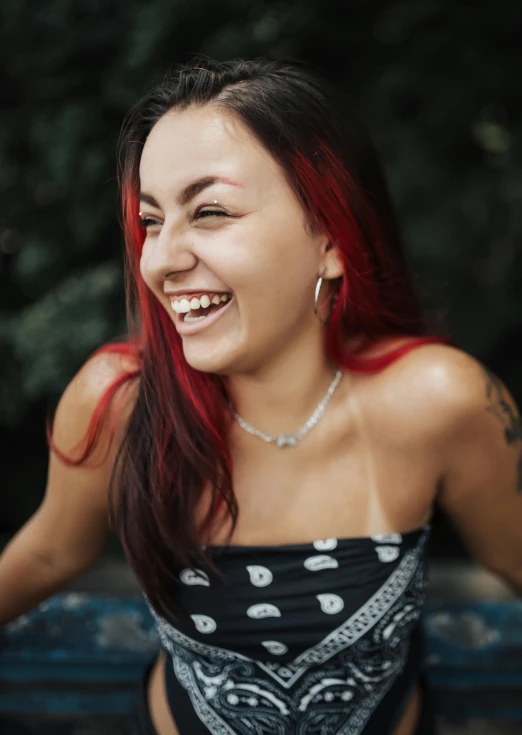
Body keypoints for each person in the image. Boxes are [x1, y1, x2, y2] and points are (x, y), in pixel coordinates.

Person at [1, 56, 521, 735]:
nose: (159, 259)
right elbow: (50, 552)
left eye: (209, 211)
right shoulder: (119, 401)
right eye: (152, 220)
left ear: (331, 239)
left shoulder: (444, 401)